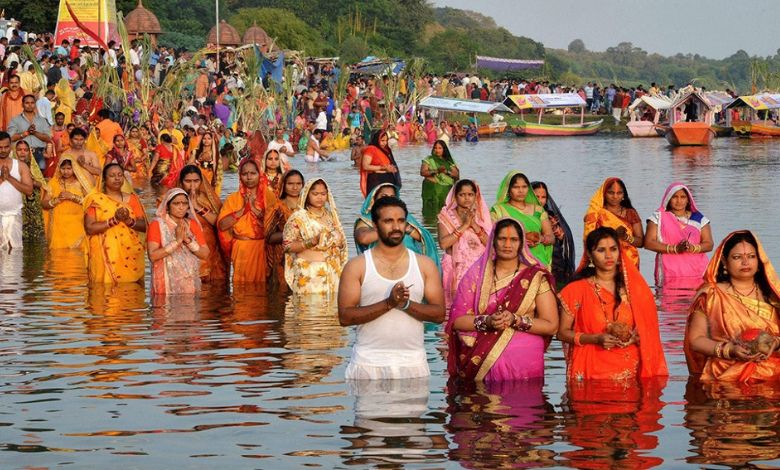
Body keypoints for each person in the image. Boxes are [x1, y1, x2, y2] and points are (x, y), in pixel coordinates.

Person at [338, 196, 445, 379]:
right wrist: (388, 303)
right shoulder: (357, 266)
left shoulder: (424, 265)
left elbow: (439, 314)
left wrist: (405, 305)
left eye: (401, 221)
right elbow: (345, 317)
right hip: (368, 365)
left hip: (413, 365)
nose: (396, 227)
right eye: (388, 221)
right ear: (375, 224)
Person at [447, 218, 559, 382]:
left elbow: (551, 326)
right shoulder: (475, 276)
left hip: (524, 367)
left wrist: (516, 320)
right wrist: (488, 321)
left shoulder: (536, 277)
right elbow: (456, 321)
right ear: (493, 241)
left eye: (513, 239)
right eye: (502, 239)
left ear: (521, 243)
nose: (507, 244)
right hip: (479, 363)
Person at [558, 227, 668, 381]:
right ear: (589, 255)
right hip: (590, 372)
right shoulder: (575, 290)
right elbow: (562, 333)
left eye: (613, 249)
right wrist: (595, 339)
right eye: (601, 250)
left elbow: (648, 331)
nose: (608, 255)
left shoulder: (636, 290)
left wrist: (634, 337)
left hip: (630, 372)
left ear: (619, 252)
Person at [685, 231, 780, 382]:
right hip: (726, 376)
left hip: (773, 374)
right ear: (724, 261)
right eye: (737, 257)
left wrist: (776, 343)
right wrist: (729, 350)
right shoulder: (711, 294)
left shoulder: (774, 295)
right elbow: (696, 340)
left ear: (759, 260)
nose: (745, 262)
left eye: (751, 256)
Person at [217, 159, 279, 285]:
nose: (249, 177)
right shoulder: (233, 198)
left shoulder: (269, 197)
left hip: (263, 248)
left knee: (263, 290)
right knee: (241, 289)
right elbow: (222, 226)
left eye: (253, 173)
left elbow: (275, 224)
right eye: (245, 174)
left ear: (259, 174)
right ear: (240, 176)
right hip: (242, 249)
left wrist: (254, 209)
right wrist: (242, 210)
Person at [83, 163, 147, 284]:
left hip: (130, 252)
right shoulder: (96, 200)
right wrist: (114, 221)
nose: (117, 178)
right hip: (103, 254)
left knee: (130, 291)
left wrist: (128, 220)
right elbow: (89, 228)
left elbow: (144, 226)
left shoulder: (132, 199)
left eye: (120, 175)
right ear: (104, 179)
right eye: (112, 175)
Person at [283, 178, 348, 296]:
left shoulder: (330, 215)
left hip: (332, 273)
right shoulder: (298, 217)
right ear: (307, 194)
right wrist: (312, 241)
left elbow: (342, 241)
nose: (320, 197)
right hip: (309, 275)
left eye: (323, 194)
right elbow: (287, 246)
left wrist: (338, 242)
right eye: (315, 194)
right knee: (309, 311)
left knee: (331, 311)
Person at [354, 183, 440, 270]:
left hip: (410, 264)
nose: (388, 199)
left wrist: (407, 228)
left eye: (392, 196)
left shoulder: (407, 217)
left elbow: (423, 238)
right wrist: (391, 230)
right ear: (373, 199)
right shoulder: (366, 219)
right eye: (384, 196)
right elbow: (363, 238)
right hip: (380, 265)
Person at [644, 182, 713, 285]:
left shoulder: (699, 218)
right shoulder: (658, 217)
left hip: (698, 272)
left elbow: (709, 244)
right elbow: (648, 243)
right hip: (668, 273)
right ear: (668, 199)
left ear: (688, 200)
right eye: (675, 197)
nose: (679, 201)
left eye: (683, 197)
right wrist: (675, 249)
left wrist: (692, 248)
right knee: (669, 300)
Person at [438, 179, 491, 312]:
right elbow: (443, 244)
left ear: (476, 196)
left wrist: (474, 226)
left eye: (470, 194)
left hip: (478, 267)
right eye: (462, 195)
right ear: (455, 196)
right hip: (454, 267)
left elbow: (491, 244)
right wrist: (464, 226)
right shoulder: (446, 215)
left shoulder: (482, 216)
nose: (466, 198)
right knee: (453, 309)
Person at [147, 188, 210, 296]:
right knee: (165, 310)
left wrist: (187, 240)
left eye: (184, 203)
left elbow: (205, 254)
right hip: (165, 280)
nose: (181, 207)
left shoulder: (192, 224)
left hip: (187, 279)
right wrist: (177, 241)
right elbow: (152, 255)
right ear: (168, 206)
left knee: (188, 309)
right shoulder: (157, 225)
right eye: (176, 203)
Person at [490, 171, 554, 267]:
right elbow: (492, 237)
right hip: (511, 260)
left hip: (539, 260)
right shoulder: (498, 210)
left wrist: (540, 239)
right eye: (516, 187)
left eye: (524, 187)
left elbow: (551, 237)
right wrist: (521, 241)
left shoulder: (538, 210)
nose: (521, 191)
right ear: (508, 189)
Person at [179, 165, 228, 283]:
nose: (192, 186)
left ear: (201, 181)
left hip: (210, 252)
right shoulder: (172, 200)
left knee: (212, 292)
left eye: (196, 181)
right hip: (184, 253)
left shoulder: (209, 200)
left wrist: (197, 207)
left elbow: (220, 223)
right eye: (188, 181)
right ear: (181, 183)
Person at [582, 177, 644, 269]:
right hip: (603, 259)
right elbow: (589, 239)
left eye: (619, 193)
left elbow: (641, 242)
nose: (615, 196)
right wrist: (613, 235)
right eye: (611, 193)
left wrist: (626, 237)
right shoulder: (596, 213)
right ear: (604, 194)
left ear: (624, 195)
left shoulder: (630, 213)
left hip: (629, 261)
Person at [532, 181, 576, 287]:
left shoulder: (550, 215)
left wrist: (559, 235)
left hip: (555, 259)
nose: (540, 200)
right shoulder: (525, 215)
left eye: (543, 197)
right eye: (536, 196)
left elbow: (563, 237)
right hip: (534, 258)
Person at [42, 157, 92, 250]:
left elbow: (90, 201)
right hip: (58, 227)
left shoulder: (81, 183)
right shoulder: (54, 183)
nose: (66, 171)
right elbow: (44, 204)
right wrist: (57, 200)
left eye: (69, 168)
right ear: (59, 168)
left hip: (77, 224)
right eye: (63, 168)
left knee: (77, 255)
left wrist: (73, 197)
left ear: (74, 168)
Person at [267, 169, 304, 291]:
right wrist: (292, 234)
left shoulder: (309, 206)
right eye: (290, 184)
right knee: (282, 294)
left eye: (298, 184)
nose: (295, 187)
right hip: (282, 257)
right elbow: (269, 236)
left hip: (305, 255)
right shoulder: (277, 206)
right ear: (283, 185)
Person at [0, 132, 33, 252]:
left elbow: (29, 191)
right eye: (0, 147)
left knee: (14, 251)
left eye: (6, 147)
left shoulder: (20, 165)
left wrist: (9, 177)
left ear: (10, 146)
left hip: (14, 215)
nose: (3, 150)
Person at [8, 93, 52, 172]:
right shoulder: (15, 120)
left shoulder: (42, 120)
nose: (30, 105)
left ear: (35, 104)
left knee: (40, 180)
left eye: (32, 103)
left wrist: (35, 133)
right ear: (22, 104)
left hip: (38, 154)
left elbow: (48, 138)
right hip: (21, 155)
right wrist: (26, 133)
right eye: (27, 103)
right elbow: (10, 138)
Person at [13, 141, 46, 244]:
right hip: (17, 206)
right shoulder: (11, 167)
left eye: (26, 150)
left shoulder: (33, 166)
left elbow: (43, 184)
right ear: (15, 151)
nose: (23, 152)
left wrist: (33, 182)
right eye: (19, 150)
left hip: (33, 207)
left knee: (35, 241)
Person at [420, 139, 459, 218]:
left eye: (439, 148)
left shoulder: (449, 161)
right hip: (432, 189)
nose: (437, 150)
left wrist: (446, 172)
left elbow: (456, 175)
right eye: (435, 148)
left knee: (446, 212)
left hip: (446, 189)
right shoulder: (428, 159)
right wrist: (437, 170)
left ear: (444, 149)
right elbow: (423, 172)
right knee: (431, 213)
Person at [360, 130, 401, 197]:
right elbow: (365, 166)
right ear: (377, 139)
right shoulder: (371, 149)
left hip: (388, 181)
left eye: (386, 140)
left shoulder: (386, 151)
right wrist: (383, 168)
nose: (384, 143)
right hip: (376, 181)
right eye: (382, 140)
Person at [190, 130, 223, 195]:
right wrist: (196, 163)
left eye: (209, 139)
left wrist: (217, 181)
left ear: (212, 140)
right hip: (198, 180)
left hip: (211, 181)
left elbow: (219, 171)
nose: (206, 140)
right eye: (204, 138)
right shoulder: (195, 152)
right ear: (201, 140)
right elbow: (189, 165)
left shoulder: (216, 154)